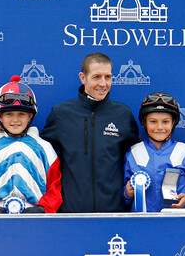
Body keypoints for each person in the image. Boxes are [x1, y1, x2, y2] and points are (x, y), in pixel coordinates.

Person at [42, 53, 140, 212]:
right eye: (96, 77)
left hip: (113, 214)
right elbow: (38, 152)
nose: (103, 83)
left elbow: (137, 158)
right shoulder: (61, 113)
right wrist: (1, 130)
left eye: (108, 77)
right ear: (83, 77)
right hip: (70, 214)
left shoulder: (122, 114)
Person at [0, 76, 62, 214]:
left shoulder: (45, 148)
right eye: (9, 114)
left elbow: (55, 189)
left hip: (36, 218)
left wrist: (43, 209)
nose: (15, 120)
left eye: (21, 114)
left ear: (30, 116)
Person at [123, 92, 185, 212]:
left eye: (165, 122)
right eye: (153, 121)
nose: (159, 127)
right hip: (142, 225)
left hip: (177, 224)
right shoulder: (133, 153)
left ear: (173, 122)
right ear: (144, 122)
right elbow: (122, 197)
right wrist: (127, 193)